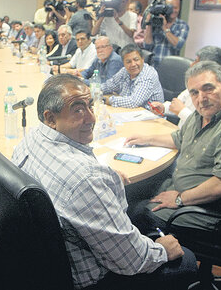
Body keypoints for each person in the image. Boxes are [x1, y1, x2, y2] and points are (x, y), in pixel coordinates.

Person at [11, 74, 197, 290]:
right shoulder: (86, 179)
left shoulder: (31, 138)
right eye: (78, 109)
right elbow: (132, 261)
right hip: (93, 278)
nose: (91, 118)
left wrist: (100, 175)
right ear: (50, 118)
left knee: (140, 212)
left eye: (90, 106)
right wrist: (162, 250)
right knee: (187, 260)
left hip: (45, 264)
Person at [126, 61, 221, 234]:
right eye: (194, 92)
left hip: (204, 209)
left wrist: (180, 199)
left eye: (208, 89)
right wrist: (146, 138)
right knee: (127, 193)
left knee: (131, 215)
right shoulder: (199, 115)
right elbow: (179, 138)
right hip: (177, 188)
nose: (201, 98)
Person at [149, 46, 221, 127]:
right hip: (181, 136)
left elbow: (209, 128)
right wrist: (163, 107)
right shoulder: (197, 85)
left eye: (196, 61)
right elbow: (178, 104)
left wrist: (182, 112)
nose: (191, 64)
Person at [102, 44, 163, 108]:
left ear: (142, 59)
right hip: (130, 112)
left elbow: (134, 102)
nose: (133, 64)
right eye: (128, 62)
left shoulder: (148, 75)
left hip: (151, 116)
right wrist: (94, 92)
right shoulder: (124, 71)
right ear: (123, 63)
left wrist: (106, 100)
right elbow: (108, 86)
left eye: (136, 60)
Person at [143, 0, 189, 67]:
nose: (172, 10)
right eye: (169, 7)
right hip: (153, 65)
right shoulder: (156, 21)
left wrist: (165, 28)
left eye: (175, 8)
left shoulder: (182, 25)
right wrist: (149, 24)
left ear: (179, 8)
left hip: (170, 67)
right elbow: (147, 45)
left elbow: (178, 45)